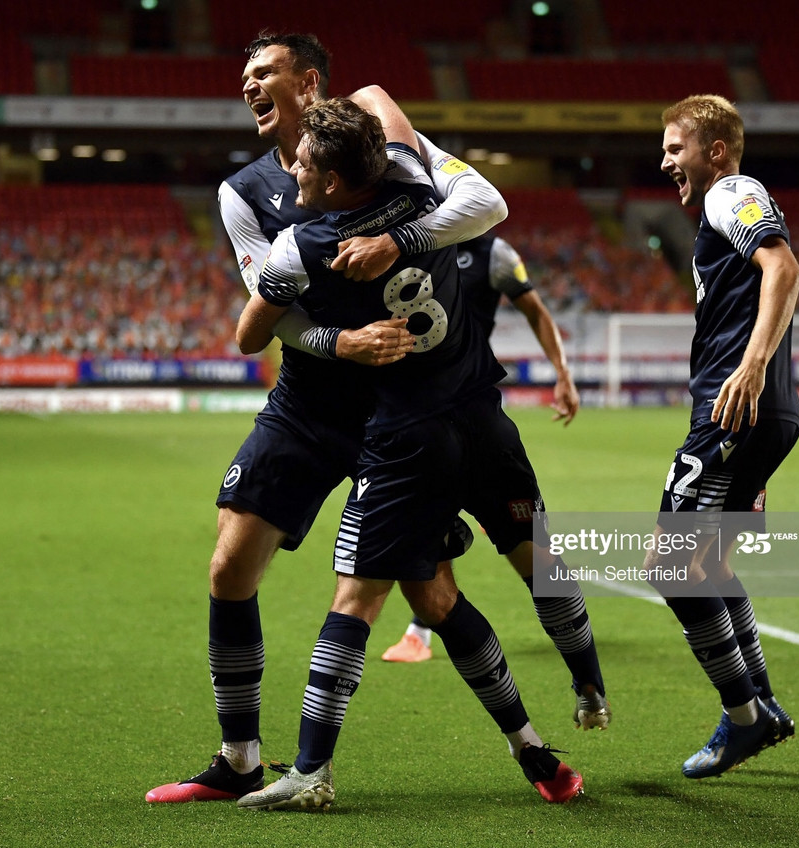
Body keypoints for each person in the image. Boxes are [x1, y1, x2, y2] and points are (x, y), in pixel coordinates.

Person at [145, 33, 606, 805]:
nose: (250, 87)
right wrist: (340, 340)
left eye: (265, 74)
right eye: (244, 77)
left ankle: (534, 754)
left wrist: (398, 239)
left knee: (428, 597)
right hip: (315, 397)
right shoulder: (244, 195)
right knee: (229, 566)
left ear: (310, 81)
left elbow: (478, 205)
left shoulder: (386, 136)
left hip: (404, 412)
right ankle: (239, 759)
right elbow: (267, 319)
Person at [641, 94, 799, 779]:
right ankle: (760, 701)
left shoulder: (729, 191)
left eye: (676, 148)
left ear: (714, 151)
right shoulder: (725, 201)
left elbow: (785, 268)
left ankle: (744, 717)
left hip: (733, 411)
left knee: (670, 566)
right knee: (708, 563)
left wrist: (752, 365)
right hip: (760, 413)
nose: (665, 161)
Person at [381, 231, 580, 663]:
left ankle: (565, 618)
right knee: (432, 515)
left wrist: (562, 374)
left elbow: (536, 311)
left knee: (508, 525)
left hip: (471, 404)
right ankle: (422, 627)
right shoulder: (400, 245)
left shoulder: (495, 255)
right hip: (411, 407)